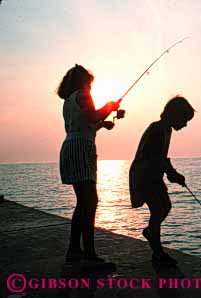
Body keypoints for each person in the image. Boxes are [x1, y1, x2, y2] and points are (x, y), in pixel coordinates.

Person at [57, 64, 124, 269]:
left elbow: (86, 122)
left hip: (71, 146)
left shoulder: (69, 100)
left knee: (83, 202)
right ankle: (89, 254)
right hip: (81, 149)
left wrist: (103, 124)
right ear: (84, 81)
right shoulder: (83, 94)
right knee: (90, 201)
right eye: (90, 82)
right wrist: (109, 106)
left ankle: (74, 251)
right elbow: (92, 116)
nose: (91, 87)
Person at [129, 95, 195, 265]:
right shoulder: (158, 129)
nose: (186, 124)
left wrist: (171, 172)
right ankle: (157, 252)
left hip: (153, 174)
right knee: (159, 208)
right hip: (144, 175)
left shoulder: (167, 129)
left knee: (165, 207)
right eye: (184, 119)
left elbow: (161, 158)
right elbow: (155, 157)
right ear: (175, 115)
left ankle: (152, 236)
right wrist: (172, 174)